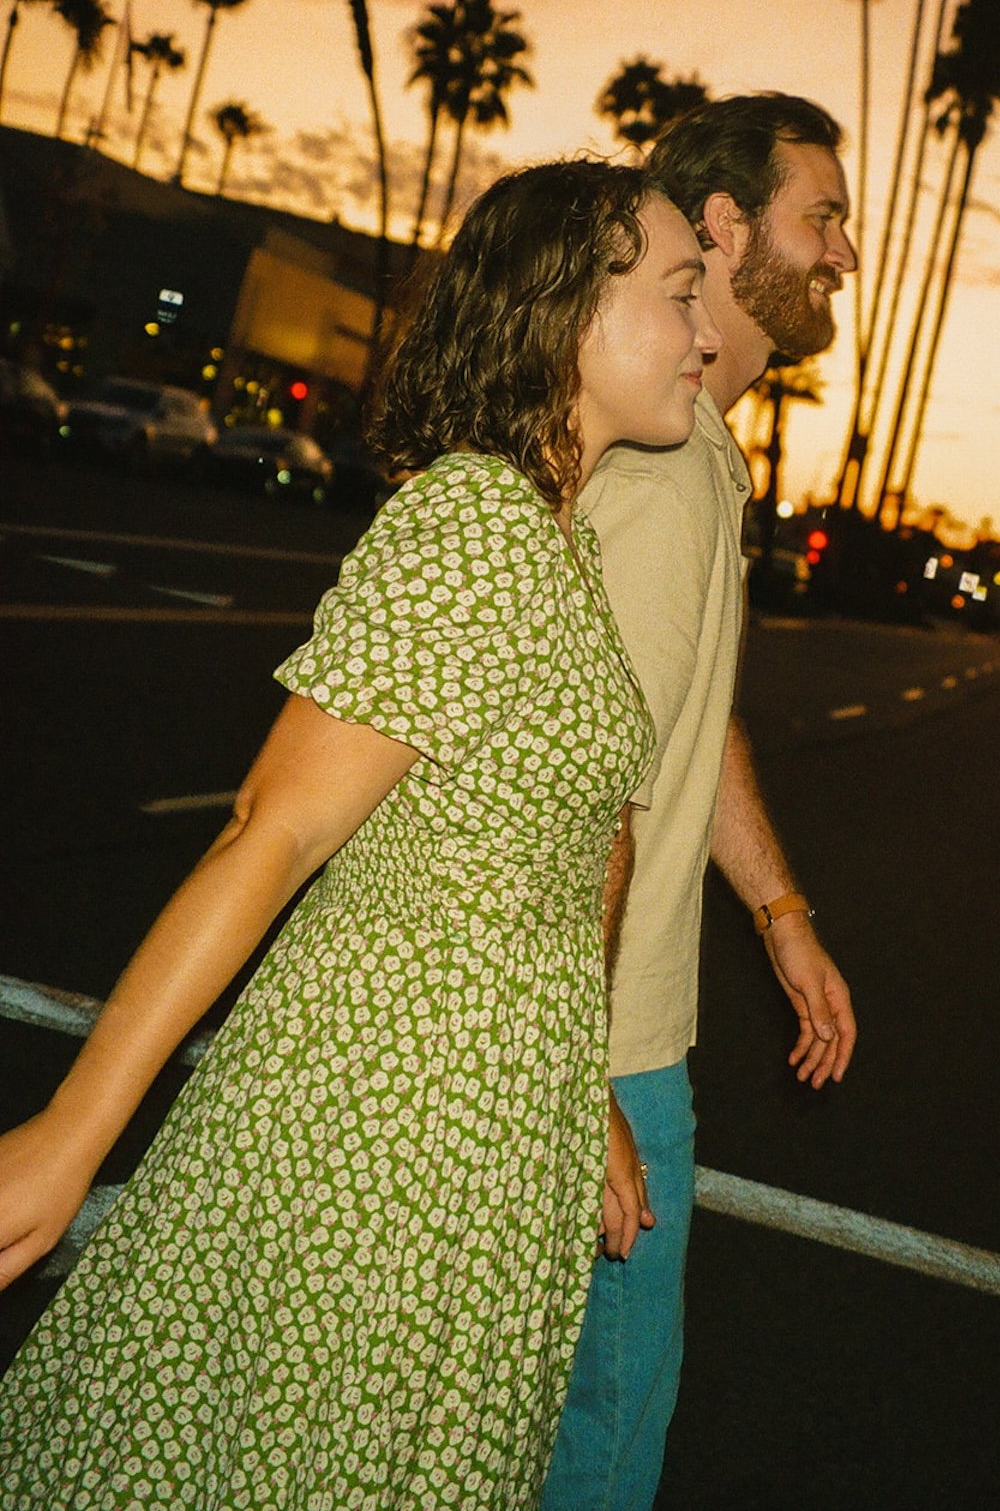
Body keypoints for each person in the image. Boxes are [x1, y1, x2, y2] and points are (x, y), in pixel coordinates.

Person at [0, 159, 720, 1510]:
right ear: (570, 310)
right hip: (378, 1122)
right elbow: (269, 833)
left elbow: (589, 843)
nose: (705, 335)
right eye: (681, 295)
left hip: (492, 1138)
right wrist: (74, 1129)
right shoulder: (471, 526)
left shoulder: (558, 543)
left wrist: (585, 1096)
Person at [542, 94, 859, 1511]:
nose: (843, 254)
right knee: (605, 1439)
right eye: (820, 218)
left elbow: (684, 709)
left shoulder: (693, 453)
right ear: (726, 228)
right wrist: (588, 1080)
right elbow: (590, 791)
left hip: (608, 1030)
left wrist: (779, 911)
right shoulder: (668, 477)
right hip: (607, 1041)